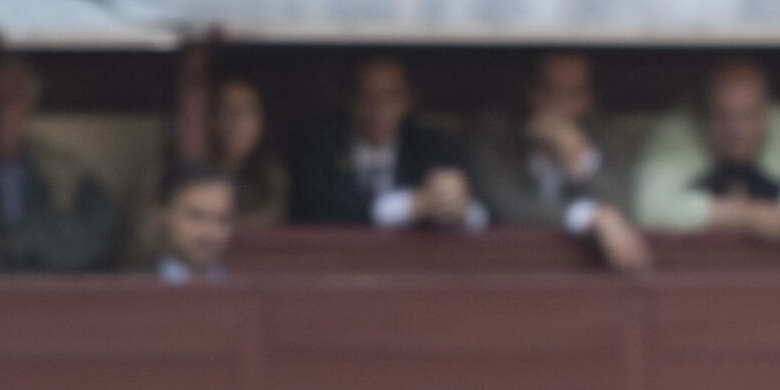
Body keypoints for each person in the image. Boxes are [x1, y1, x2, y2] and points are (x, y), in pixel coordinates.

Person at [631, 56, 780, 241]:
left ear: (767, 113)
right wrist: (747, 216)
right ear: (702, 113)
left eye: (746, 115)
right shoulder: (675, 133)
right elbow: (648, 211)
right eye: (721, 115)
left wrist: (768, 204)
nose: (735, 130)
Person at [465, 51, 650, 271]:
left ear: (591, 97)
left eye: (574, 93)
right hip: (502, 267)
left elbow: (622, 209)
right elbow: (504, 207)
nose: (559, 105)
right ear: (528, 90)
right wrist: (590, 216)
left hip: (585, 276)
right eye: (547, 91)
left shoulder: (604, 131)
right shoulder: (495, 128)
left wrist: (581, 159)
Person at [289, 55, 479, 230]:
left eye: (391, 97)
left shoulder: (428, 143)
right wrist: (409, 205)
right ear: (349, 99)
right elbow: (315, 211)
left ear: (409, 99)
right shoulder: (319, 144)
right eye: (366, 96)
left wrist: (456, 205)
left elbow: (483, 214)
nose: (378, 108)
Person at [0, 57, 121, 274]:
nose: (3, 110)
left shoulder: (67, 174)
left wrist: (11, 243)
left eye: (13, 99)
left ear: (29, 107)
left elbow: (97, 241)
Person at [208, 78, 288, 230]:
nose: (237, 121)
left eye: (247, 111)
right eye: (226, 110)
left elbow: (268, 221)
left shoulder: (274, 176)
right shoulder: (197, 170)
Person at [155, 165, 234, 284]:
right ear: (165, 215)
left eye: (222, 220)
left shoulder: (245, 286)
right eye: (196, 216)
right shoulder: (134, 283)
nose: (208, 232)